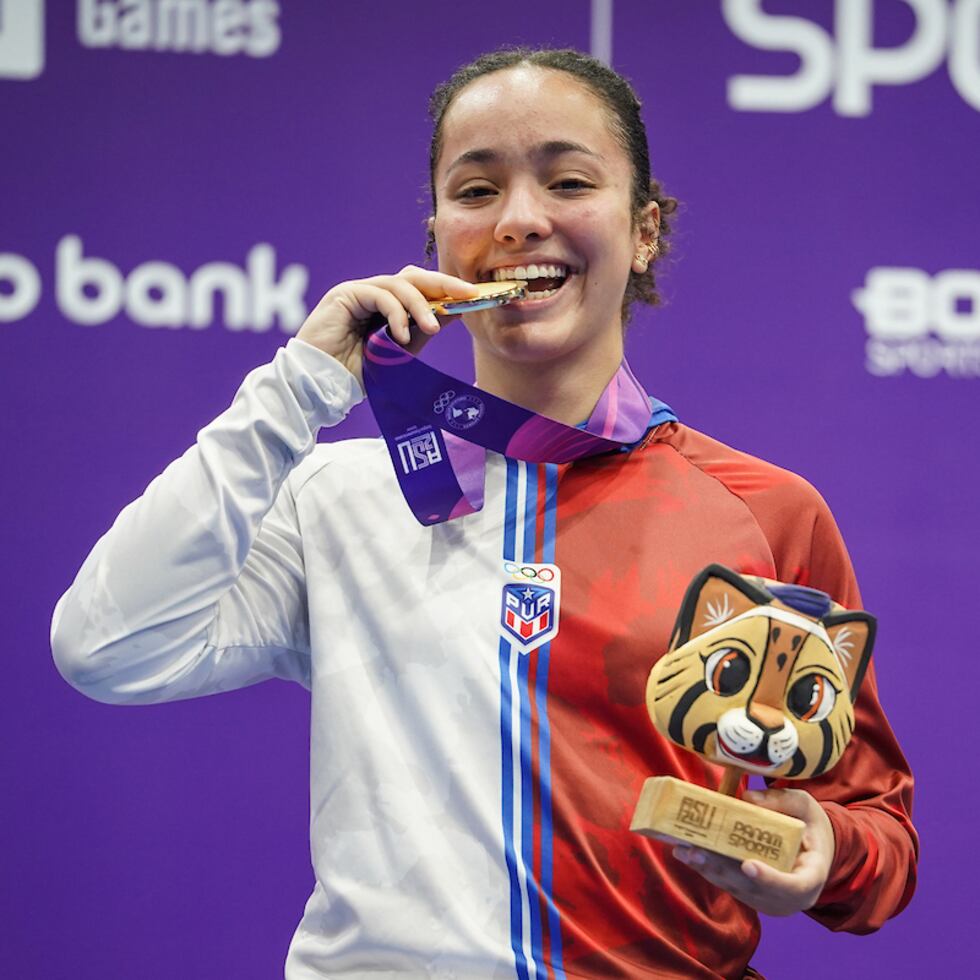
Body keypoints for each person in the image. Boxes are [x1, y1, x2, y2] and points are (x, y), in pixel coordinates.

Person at [51, 47, 917, 980]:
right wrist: (297, 386)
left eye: (568, 182)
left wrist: (824, 850)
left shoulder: (764, 512)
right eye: (475, 191)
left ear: (644, 231)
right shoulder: (336, 497)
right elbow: (107, 647)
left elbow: (879, 834)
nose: (518, 219)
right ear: (436, 238)